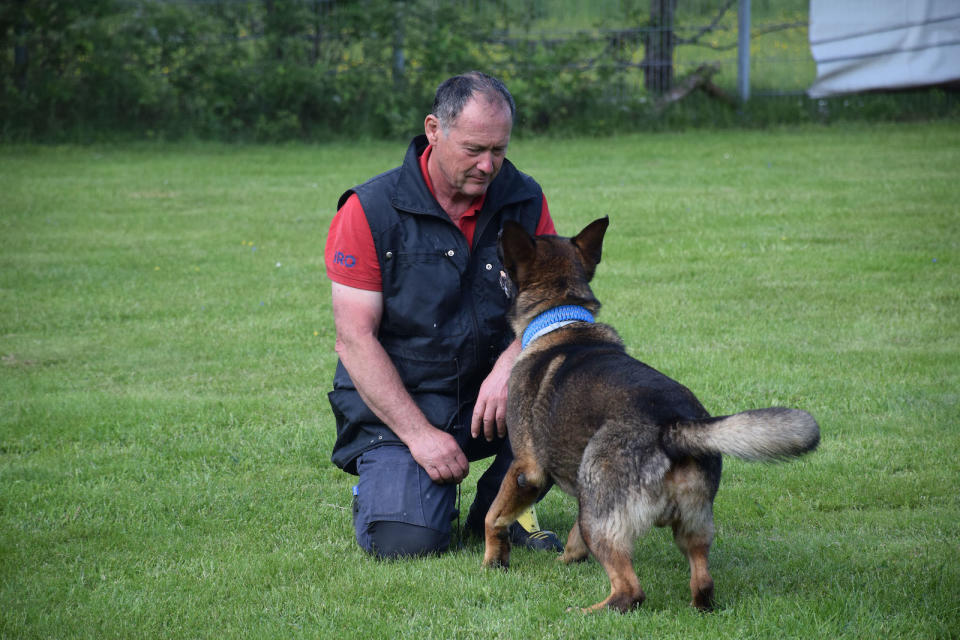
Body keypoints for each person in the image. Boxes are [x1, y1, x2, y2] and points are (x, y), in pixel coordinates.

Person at [325, 71, 563, 559]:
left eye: (499, 150)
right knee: (406, 541)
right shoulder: (369, 210)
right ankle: (387, 491)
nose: (488, 164)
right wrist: (419, 436)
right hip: (404, 397)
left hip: (494, 396)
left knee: (572, 383)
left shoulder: (524, 198)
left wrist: (508, 365)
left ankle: (501, 513)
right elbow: (354, 340)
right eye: (475, 148)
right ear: (434, 129)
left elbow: (552, 303)